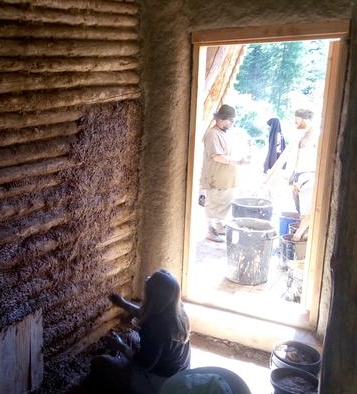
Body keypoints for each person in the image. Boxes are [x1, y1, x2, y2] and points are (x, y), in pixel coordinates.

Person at [88, 269, 191, 394]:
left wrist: (120, 346)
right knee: (130, 337)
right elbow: (149, 313)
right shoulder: (179, 312)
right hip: (179, 376)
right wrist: (123, 303)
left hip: (160, 385)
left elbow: (144, 363)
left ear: (153, 297)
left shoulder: (154, 327)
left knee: (99, 363)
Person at [264, 108, 318, 241]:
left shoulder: (316, 136)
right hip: (298, 177)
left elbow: (320, 160)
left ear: (305, 119)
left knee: (308, 212)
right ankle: (302, 237)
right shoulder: (301, 135)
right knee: (301, 212)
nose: (295, 122)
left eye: (297, 119)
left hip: (308, 178)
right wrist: (291, 177)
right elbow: (293, 158)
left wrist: (310, 178)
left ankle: (297, 237)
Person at [199, 104, 249, 242]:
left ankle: (219, 226)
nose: (232, 123)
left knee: (225, 203)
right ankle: (210, 230)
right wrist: (238, 161)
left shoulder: (224, 133)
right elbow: (217, 156)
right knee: (214, 203)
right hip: (216, 177)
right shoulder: (212, 134)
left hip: (227, 178)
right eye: (230, 120)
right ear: (220, 119)